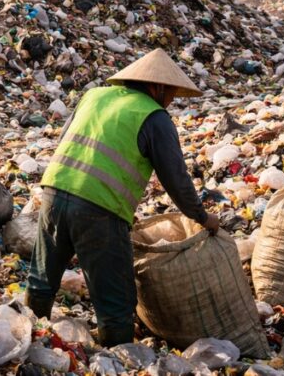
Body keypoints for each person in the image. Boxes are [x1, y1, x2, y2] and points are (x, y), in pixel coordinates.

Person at [25, 48, 219, 347]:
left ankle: (25, 338)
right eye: (172, 94)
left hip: (53, 192)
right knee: (115, 300)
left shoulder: (94, 96)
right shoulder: (155, 118)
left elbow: (67, 139)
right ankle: (116, 359)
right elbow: (176, 180)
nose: (172, 101)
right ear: (158, 87)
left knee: (42, 278)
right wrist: (201, 216)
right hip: (99, 209)